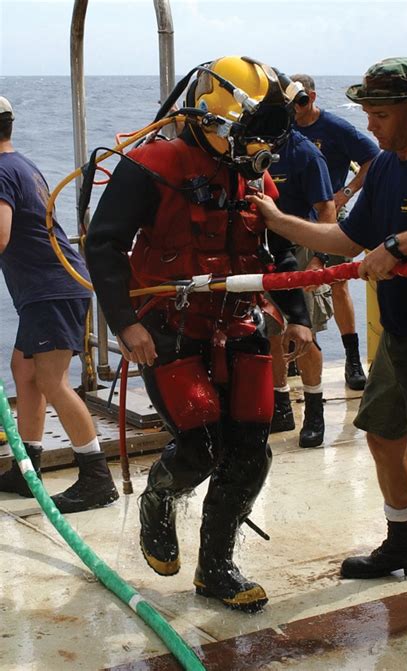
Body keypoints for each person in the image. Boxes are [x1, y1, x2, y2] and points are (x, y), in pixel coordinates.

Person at [248, 57, 407, 669]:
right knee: (381, 436)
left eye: (379, 114)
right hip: (399, 337)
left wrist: (399, 246)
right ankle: (404, 544)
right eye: (367, 113)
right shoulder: (384, 173)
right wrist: (278, 220)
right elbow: (346, 242)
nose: (370, 127)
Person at [85, 56, 313, 612]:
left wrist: (298, 313)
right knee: (199, 444)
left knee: (252, 452)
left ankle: (216, 569)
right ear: (214, 117)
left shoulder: (251, 169)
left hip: (240, 322)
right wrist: (126, 324)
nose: (256, 146)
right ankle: (159, 502)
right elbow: (104, 245)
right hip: (166, 327)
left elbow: (278, 249)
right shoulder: (151, 165)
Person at [0, 96, 119, 513]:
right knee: (24, 370)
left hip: (52, 289)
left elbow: (1, 234)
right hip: (50, 288)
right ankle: (26, 464)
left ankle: (96, 477)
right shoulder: (22, 164)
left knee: (53, 381)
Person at [291, 73, 380, 390]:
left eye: (301, 101)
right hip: (294, 215)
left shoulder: (334, 128)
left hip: (330, 212)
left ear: (312, 97)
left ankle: (352, 359)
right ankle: (297, 353)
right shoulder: (286, 127)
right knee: (291, 282)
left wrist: (348, 191)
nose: (296, 108)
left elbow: (374, 158)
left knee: (339, 283)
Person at [268, 126, 336, 447]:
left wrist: (319, 258)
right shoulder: (247, 148)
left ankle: (314, 410)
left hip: (300, 249)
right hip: (263, 252)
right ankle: (280, 406)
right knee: (270, 332)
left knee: (304, 335)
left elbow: (327, 210)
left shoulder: (305, 154)